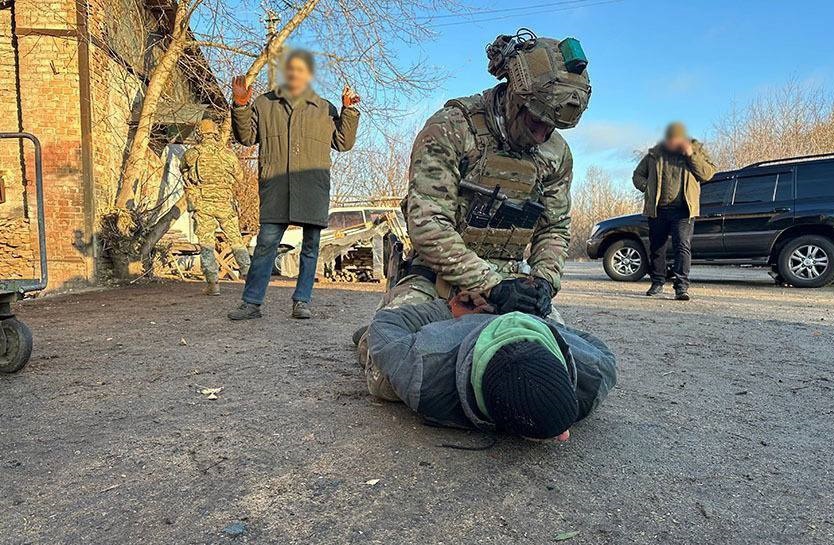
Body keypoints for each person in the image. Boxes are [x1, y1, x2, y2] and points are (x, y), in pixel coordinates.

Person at [355, 30, 592, 378]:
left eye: (553, 127)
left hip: (513, 284)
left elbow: (554, 228)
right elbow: (428, 223)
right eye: (536, 121)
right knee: (393, 375)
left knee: (563, 372)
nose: (543, 134)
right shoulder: (451, 129)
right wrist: (490, 285)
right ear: (515, 95)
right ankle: (374, 334)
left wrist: (543, 282)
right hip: (437, 278)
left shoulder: (555, 154)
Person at [365, 292, 617, 441]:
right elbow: (384, 324)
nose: (566, 436)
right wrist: (447, 309)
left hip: (520, 313)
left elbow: (600, 349)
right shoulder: (425, 374)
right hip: (457, 322)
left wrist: (534, 317)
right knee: (381, 380)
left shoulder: (594, 373)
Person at [227, 50, 360, 320]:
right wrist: (241, 106)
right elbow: (246, 138)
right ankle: (251, 303)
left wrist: (349, 111)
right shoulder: (265, 105)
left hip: (312, 188)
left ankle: (302, 301)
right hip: (277, 188)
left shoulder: (324, 108)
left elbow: (343, 143)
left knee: (310, 247)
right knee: (266, 245)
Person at [633, 122, 717, 301]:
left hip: (683, 210)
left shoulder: (696, 150)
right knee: (657, 247)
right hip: (658, 209)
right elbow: (637, 175)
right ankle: (657, 282)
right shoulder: (654, 154)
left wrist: (691, 155)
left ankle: (681, 287)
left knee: (682, 247)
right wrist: (647, 187)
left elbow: (708, 174)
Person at [180, 118, 250, 296]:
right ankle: (249, 278)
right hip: (225, 203)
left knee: (207, 243)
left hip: (202, 203)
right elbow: (240, 177)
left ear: (199, 134)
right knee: (236, 240)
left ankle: (213, 284)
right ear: (216, 133)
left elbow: (183, 169)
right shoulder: (228, 154)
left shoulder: (192, 153)